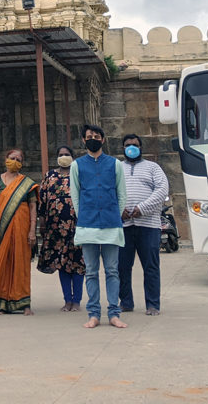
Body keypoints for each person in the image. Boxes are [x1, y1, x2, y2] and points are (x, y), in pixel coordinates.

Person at [70, 124, 128, 329]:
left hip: (111, 224)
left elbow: (122, 194)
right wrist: (85, 215)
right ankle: (94, 314)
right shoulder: (76, 165)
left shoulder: (115, 164)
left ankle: (114, 313)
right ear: (84, 141)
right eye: (89, 136)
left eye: (96, 136)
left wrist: (114, 213)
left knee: (112, 271)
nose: (92, 138)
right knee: (91, 272)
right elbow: (75, 196)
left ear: (103, 140)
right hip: (88, 225)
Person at [0, 148, 39, 315]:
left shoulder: (27, 183)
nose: (15, 161)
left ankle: (24, 303)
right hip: (2, 227)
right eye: (12, 158)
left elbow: (33, 207)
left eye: (19, 159)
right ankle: (2, 303)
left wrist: (32, 230)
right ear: (5, 159)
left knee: (21, 264)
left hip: (23, 227)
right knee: (2, 263)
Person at [118, 134, 169, 316]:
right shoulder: (116, 168)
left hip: (148, 225)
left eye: (135, 145)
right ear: (122, 148)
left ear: (141, 147)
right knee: (122, 267)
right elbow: (109, 190)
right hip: (123, 226)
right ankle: (126, 302)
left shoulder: (153, 167)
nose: (131, 147)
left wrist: (143, 208)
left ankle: (153, 304)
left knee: (151, 266)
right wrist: (119, 209)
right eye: (128, 145)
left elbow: (162, 190)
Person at [37, 145, 85, 312]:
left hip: (77, 225)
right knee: (62, 263)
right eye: (61, 154)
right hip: (55, 227)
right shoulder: (49, 176)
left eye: (67, 154)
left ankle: (77, 300)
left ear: (73, 156)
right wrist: (42, 222)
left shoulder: (79, 174)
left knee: (78, 263)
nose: (64, 156)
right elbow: (42, 200)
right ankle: (67, 300)